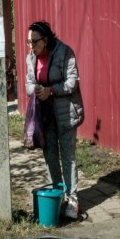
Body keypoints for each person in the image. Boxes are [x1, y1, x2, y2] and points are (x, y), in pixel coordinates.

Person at [25, 21, 84, 219]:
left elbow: (72, 82)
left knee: (68, 157)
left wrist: (51, 90)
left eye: (34, 42)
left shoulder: (65, 52)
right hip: (45, 116)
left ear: (46, 39)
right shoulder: (30, 58)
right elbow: (28, 84)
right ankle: (59, 196)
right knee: (50, 157)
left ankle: (72, 200)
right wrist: (36, 90)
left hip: (65, 113)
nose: (31, 47)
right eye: (28, 42)